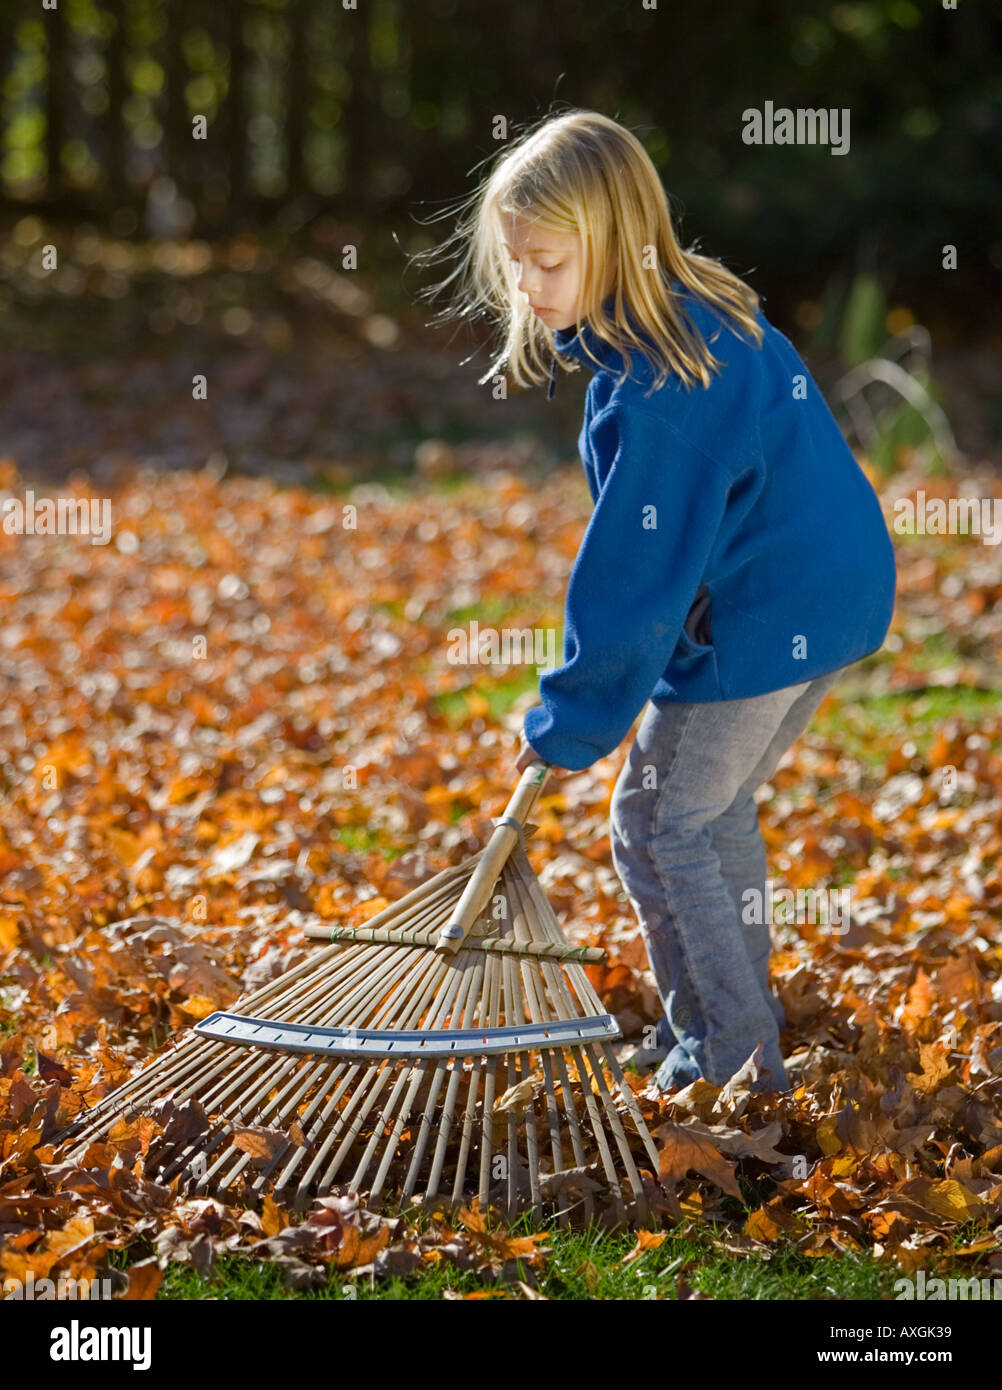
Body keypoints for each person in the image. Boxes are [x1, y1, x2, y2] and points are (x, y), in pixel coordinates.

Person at [420, 109, 897, 1094]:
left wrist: (572, 715)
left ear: (614, 239)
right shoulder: (683, 317)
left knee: (659, 823)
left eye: (549, 263)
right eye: (517, 264)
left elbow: (634, 582)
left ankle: (731, 1058)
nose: (527, 287)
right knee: (708, 813)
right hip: (827, 597)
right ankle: (734, 1034)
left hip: (773, 613)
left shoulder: (661, 387)